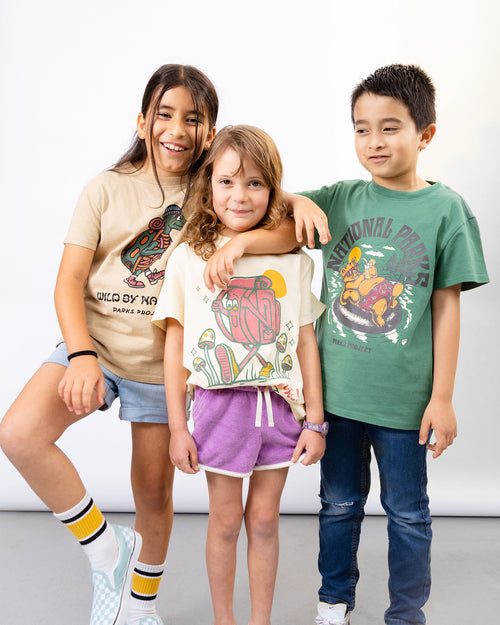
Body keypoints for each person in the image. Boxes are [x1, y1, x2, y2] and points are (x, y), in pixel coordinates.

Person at [0, 63, 220, 625]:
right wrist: (80, 356)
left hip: (161, 366)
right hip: (94, 344)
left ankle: (140, 605)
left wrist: (296, 202)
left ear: (211, 132)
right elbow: (68, 280)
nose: (177, 129)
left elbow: (266, 203)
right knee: (19, 434)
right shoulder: (106, 188)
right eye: (164, 114)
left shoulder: (214, 193)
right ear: (142, 121)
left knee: (152, 492)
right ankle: (104, 549)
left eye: (193, 118)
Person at [295, 64, 489, 625]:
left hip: (405, 404)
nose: (373, 141)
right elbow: (260, 203)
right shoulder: (339, 199)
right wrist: (292, 200)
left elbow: (446, 309)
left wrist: (442, 398)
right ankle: (334, 602)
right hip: (335, 399)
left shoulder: (446, 210)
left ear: (425, 134)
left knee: (407, 513)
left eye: (389, 127)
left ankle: (405, 614)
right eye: (361, 129)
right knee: (338, 506)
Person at [153, 125, 327, 625]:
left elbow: (306, 342)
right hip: (218, 409)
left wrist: (315, 422)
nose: (240, 195)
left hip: (280, 408)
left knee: (265, 519)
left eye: (255, 183)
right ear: (208, 185)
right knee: (226, 521)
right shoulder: (188, 258)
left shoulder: (292, 261)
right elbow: (175, 346)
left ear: (273, 189)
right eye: (226, 181)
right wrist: (177, 427)